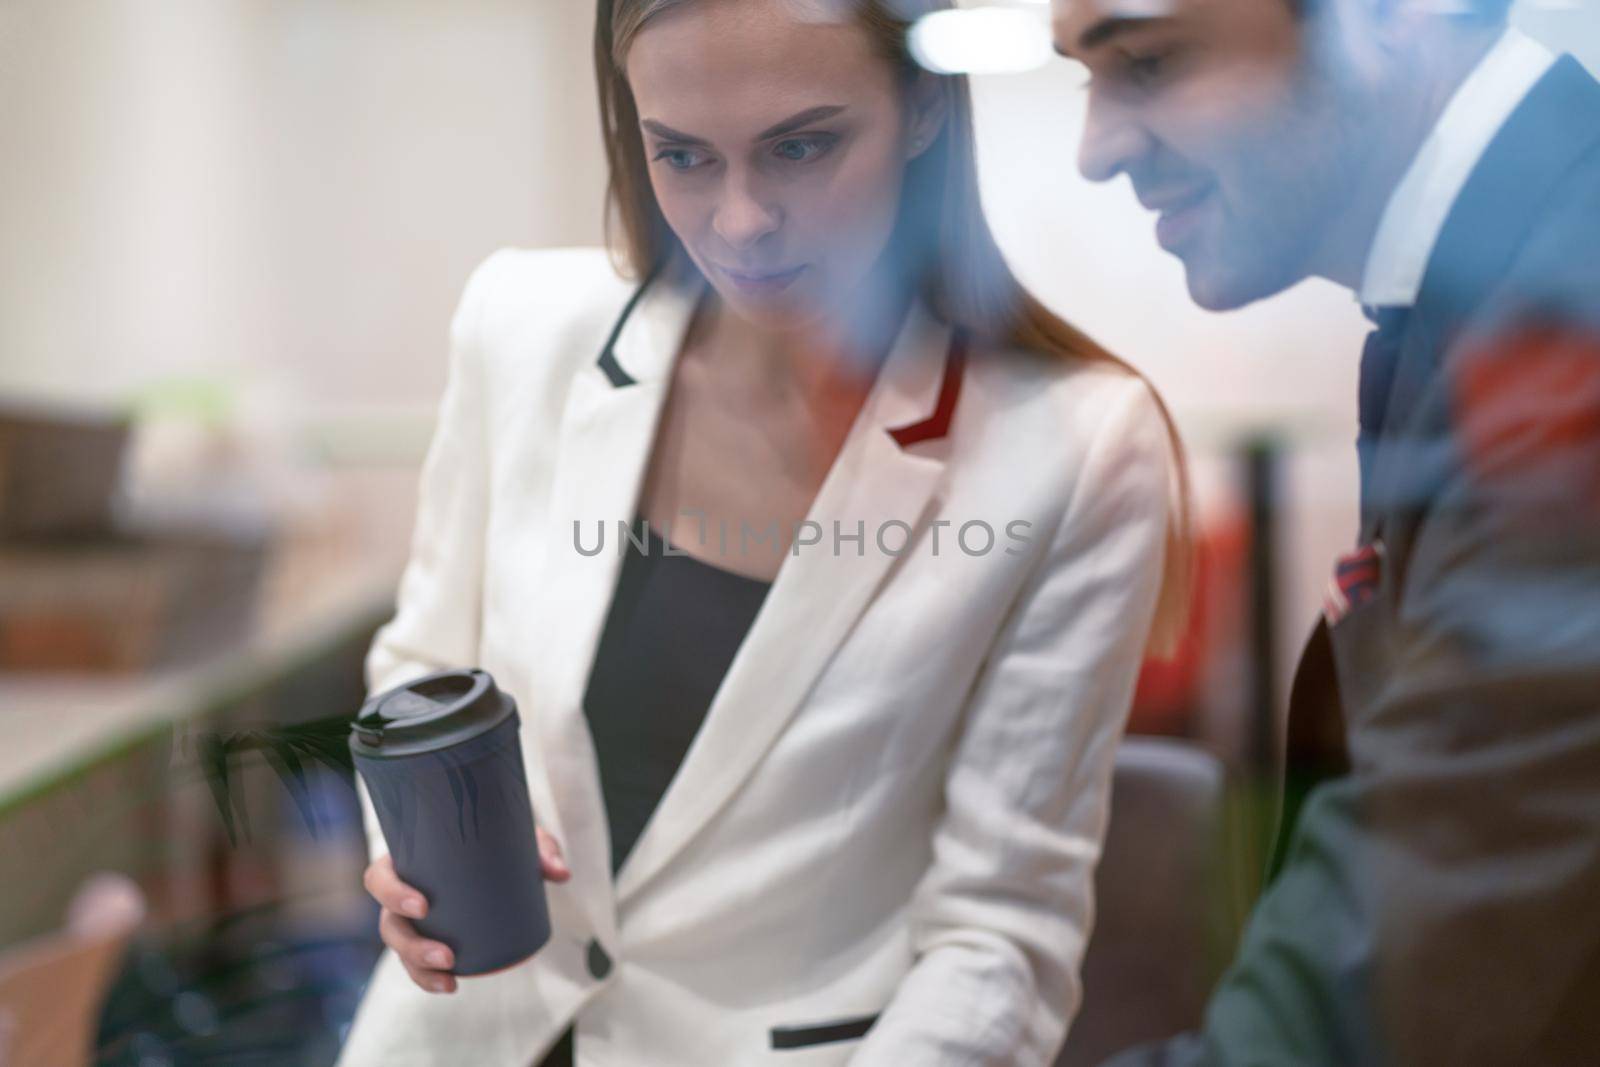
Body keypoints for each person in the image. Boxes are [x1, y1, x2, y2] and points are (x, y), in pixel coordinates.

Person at [337, 1, 1193, 1064]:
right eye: (682, 155)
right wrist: (410, 859)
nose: (738, 221)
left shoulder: (1071, 444)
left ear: (923, 104)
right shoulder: (521, 327)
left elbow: (998, 934)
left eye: (800, 146)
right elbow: (422, 666)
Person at [1050, 0, 1600, 1063]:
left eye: (1150, 61)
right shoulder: (1484, 293)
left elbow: (1431, 926)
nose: (1094, 147)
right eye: (1084, 74)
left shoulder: (1569, 303)